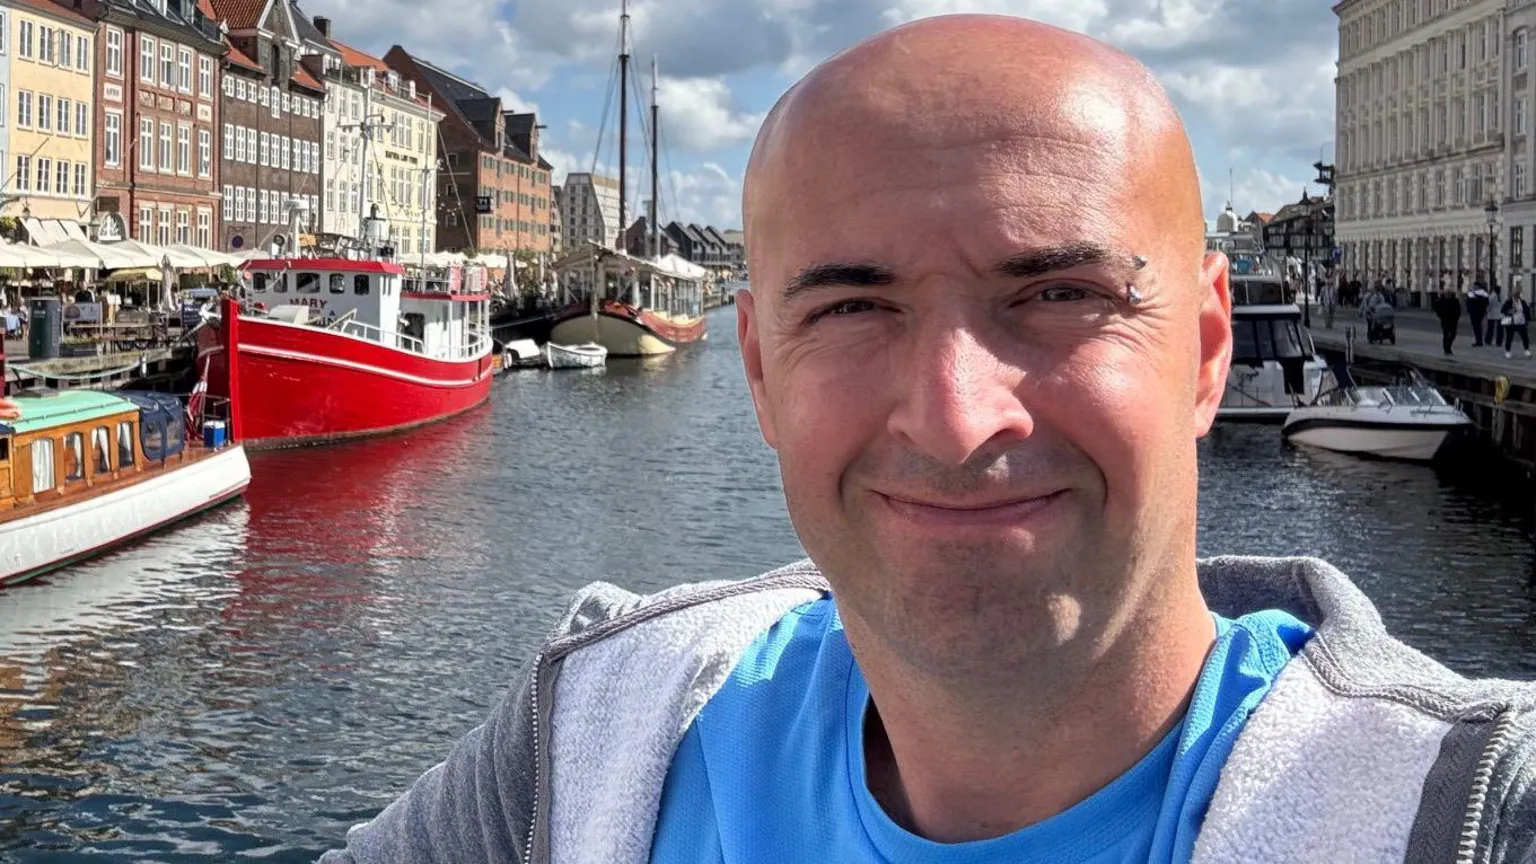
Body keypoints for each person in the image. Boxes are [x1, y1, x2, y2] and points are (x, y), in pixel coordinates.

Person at [318, 16, 1536, 864]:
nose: (957, 418)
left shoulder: (1471, 811)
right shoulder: (595, 729)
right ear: (758, 368)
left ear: (1209, 348)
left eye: (1060, 296)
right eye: (853, 308)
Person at [1502, 287, 1532, 359]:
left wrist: (1527, 320)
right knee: (1509, 337)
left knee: (1525, 337)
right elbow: (1503, 310)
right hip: (1511, 323)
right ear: (1513, 295)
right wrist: (1510, 311)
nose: (1517, 296)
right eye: (1515, 294)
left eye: (1518, 294)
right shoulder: (1509, 302)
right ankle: (1507, 351)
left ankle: (1526, 350)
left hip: (1521, 322)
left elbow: (1526, 311)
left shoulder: (1522, 302)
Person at [1433, 288, 1462, 356]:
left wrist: (1457, 317)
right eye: (1447, 293)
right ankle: (1447, 349)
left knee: (1453, 334)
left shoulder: (1455, 300)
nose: (1448, 294)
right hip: (1445, 319)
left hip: (1453, 320)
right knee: (1445, 334)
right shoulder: (1441, 300)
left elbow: (1458, 309)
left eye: (1449, 293)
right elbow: (1437, 309)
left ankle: (1448, 346)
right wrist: (1441, 315)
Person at [1467, 278, 1490, 346]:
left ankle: (1478, 341)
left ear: (1476, 286)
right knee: (1479, 326)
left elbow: (1468, 303)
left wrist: (1469, 310)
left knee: (1476, 326)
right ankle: (1479, 340)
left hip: (1473, 312)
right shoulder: (1485, 294)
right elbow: (1487, 303)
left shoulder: (1471, 293)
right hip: (1481, 312)